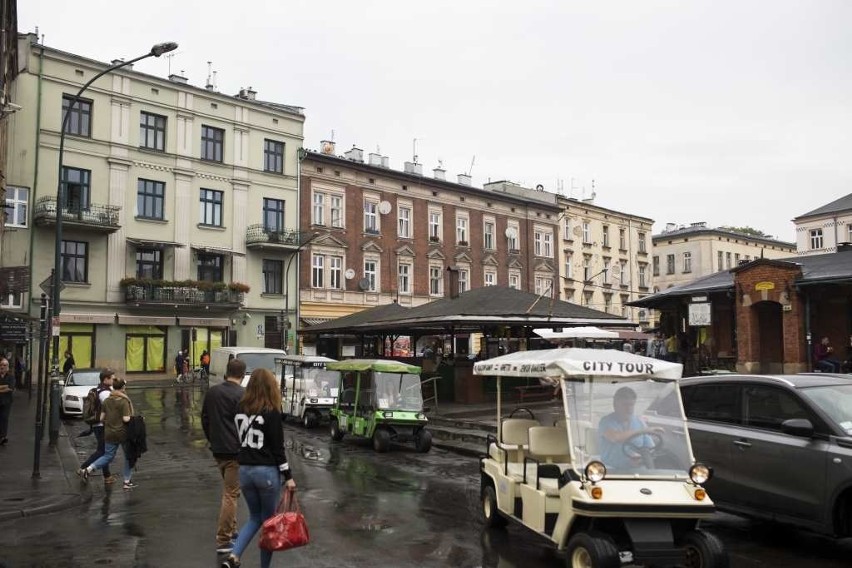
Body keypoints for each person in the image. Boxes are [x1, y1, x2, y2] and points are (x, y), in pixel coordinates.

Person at [221, 368, 296, 568]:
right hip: (267, 472)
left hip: (244, 470)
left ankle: (234, 556)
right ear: (270, 386)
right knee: (269, 523)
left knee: (255, 517)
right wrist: (288, 476)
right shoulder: (271, 411)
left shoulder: (239, 408)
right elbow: (278, 449)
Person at [202, 358, 247, 556]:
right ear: (243, 375)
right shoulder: (243, 395)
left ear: (226, 372)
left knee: (232, 492)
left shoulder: (212, 392)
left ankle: (232, 528)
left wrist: (212, 438)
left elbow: (205, 418)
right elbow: (247, 425)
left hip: (218, 449)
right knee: (231, 493)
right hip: (235, 452)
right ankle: (223, 539)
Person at [80, 377, 137, 490]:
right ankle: (127, 482)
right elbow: (126, 419)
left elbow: (101, 418)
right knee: (128, 457)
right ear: (123, 388)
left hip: (109, 433)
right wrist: (134, 419)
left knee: (107, 456)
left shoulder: (107, 401)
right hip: (123, 433)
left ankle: (88, 469)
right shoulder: (124, 401)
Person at [598, 386, 661, 472]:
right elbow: (615, 437)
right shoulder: (605, 422)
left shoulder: (639, 422)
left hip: (636, 469)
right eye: (625, 405)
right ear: (615, 405)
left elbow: (650, 448)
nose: (629, 409)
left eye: (631, 405)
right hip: (611, 469)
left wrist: (642, 459)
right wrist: (644, 431)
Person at [77, 369, 116, 484]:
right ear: (106, 379)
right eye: (112, 378)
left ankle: (107, 476)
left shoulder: (101, 389)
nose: (114, 380)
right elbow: (112, 407)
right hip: (101, 425)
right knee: (103, 451)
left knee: (104, 451)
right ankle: (83, 468)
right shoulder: (105, 393)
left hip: (97, 424)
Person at [0, 358, 15, 445]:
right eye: (1, 365)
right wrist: (4, 387)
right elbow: (6, 387)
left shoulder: (11, 377)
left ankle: (3, 436)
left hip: (6, 402)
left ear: (7, 367)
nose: (2, 367)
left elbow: (10, 388)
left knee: (4, 418)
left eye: (4, 365)